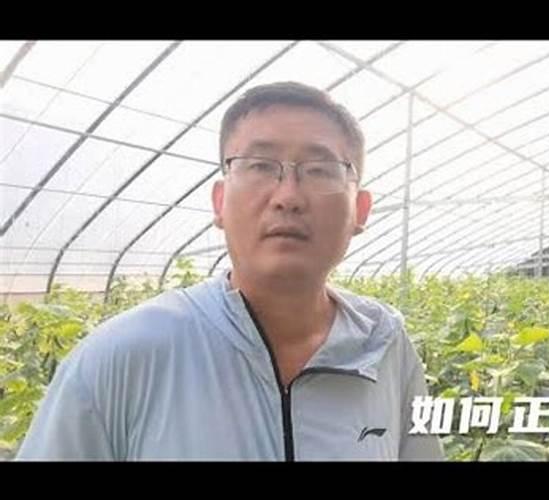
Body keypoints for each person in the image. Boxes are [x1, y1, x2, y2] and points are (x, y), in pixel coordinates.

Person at [16, 81, 444, 461]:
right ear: (219, 202)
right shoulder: (121, 357)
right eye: (260, 166)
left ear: (361, 210)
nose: (288, 196)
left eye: (319, 170)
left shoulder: (386, 347)